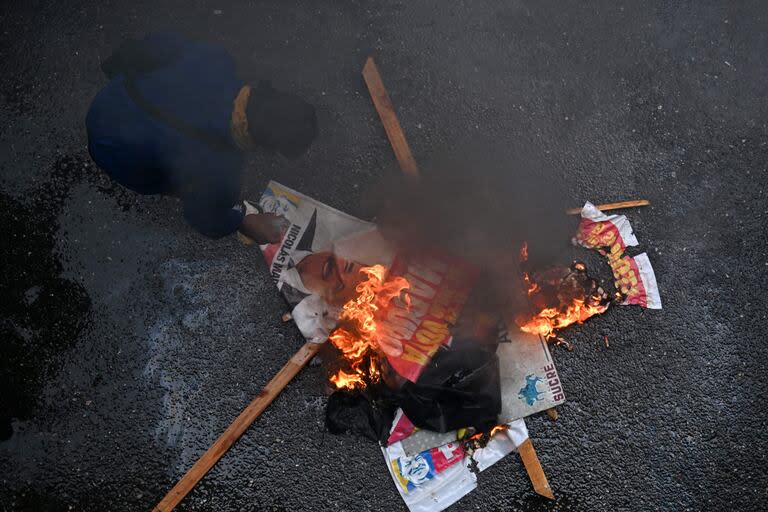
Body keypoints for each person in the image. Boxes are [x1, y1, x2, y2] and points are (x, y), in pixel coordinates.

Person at [86, 33, 317, 241]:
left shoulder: (215, 58)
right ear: (268, 145)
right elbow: (203, 219)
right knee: (194, 185)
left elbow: (153, 46)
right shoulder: (223, 171)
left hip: (105, 105)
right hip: (109, 153)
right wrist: (245, 222)